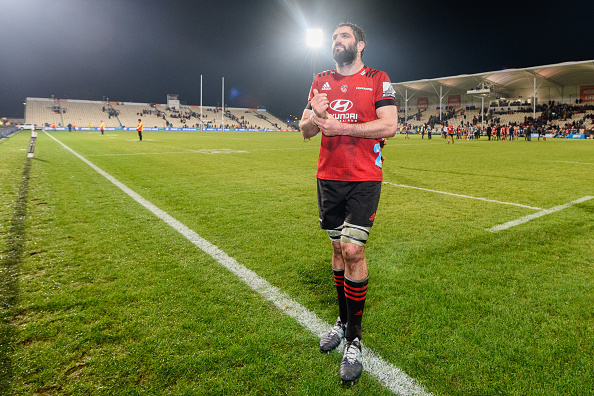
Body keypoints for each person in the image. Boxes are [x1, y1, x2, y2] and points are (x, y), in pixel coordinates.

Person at [299, 22, 397, 384]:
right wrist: (316, 112)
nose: (337, 41)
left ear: (360, 44)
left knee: (353, 251)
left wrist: (344, 127)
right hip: (329, 177)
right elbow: (305, 131)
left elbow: (389, 125)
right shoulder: (320, 79)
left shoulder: (377, 78)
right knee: (338, 251)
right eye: (334, 37)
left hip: (363, 177)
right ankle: (341, 322)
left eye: (344, 36)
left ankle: (354, 339)